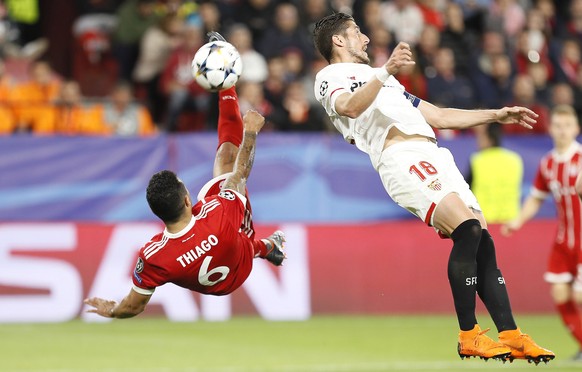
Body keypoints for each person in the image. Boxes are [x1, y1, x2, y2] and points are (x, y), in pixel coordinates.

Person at [312, 12, 554, 364]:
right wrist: (386, 70)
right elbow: (349, 106)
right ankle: (469, 335)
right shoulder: (330, 76)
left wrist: (496, 114)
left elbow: (438, 116)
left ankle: (511, 334)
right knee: (468, 230)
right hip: (400, 156)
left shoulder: (386, 82)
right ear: (338, 41)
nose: (365, 39)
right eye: (357, 33)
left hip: (434, 153)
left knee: (483, 241)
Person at [84, 33, 286, 318]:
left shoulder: (153, 256)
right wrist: (250, 131)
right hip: (240, 254)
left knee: (227, 196)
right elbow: (241, 170)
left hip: (217, 279)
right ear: (189, 199)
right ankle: (264, 246)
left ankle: (266, 248)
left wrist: (113, 311)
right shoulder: (217, 211)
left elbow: (134, 306)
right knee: (227, 160)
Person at [502, 104, 582, 362]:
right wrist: (518, 221)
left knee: (579, 295)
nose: (562, 131)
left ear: (576, 129)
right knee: (560, 293)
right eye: (557, 125)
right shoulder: (547, 163)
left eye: (567, 125)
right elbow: (536, 198)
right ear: (550, 128)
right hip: (564, 241)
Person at [466, 123, 523, 224]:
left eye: (481, 137)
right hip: (510, 220)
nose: (477, 142)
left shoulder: (477, 160)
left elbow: (465, 190)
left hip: (484, 221)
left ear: (489, 139)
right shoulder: (515, 159)